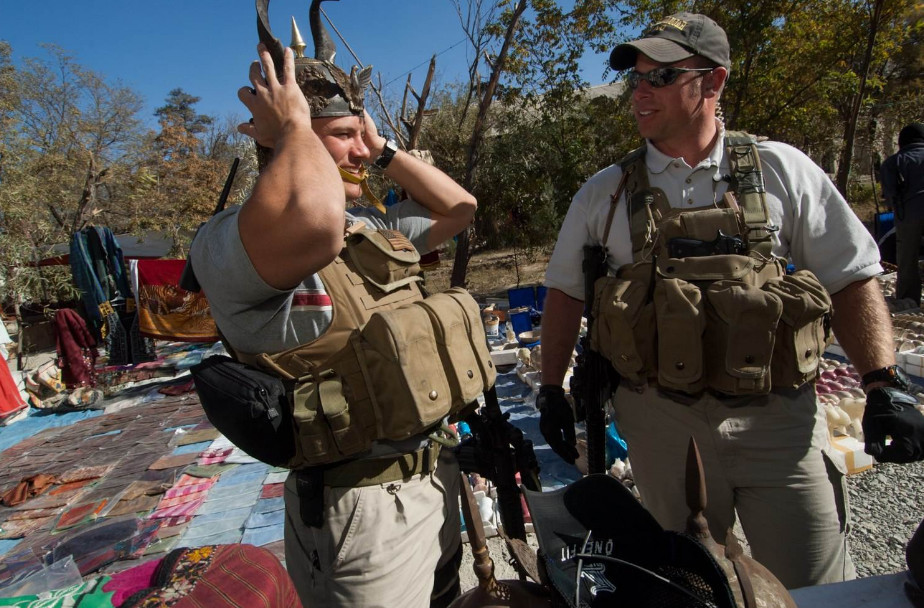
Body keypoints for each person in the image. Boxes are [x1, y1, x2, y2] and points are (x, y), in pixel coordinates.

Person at [537, 12, 924, 590]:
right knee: (688, 584)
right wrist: (550, 390)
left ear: (712, 82)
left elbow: (851, 275)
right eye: (635, 78)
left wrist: (881, 380)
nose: (641, 91)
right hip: (661, 422)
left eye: (662, 76)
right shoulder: (604, 193)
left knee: (815, 584)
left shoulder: (780, 169)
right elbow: (566, 295)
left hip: (778, 422)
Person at [189, 3, 477, 606]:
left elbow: (460, 210)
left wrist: (386, 148)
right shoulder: (231, 242)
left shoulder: (371, 226)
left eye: (359, 136)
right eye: (343, 137)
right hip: (359, 508)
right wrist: (292, 129)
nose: (358, 152)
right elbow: (314, 226)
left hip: (433, 478)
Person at [881, 122, 924, 306]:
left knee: (907, 258)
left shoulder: (892, 162)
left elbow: (890, 194)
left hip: (909, 215)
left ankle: (908, 298)